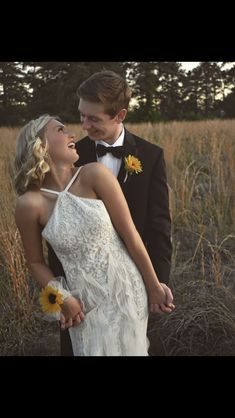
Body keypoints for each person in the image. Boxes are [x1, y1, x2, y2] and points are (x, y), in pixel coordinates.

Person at [14, 114, 175, 356]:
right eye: (60, 130)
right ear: (40, 144)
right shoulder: (29, 204)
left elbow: (131, 236)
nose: (72, 135)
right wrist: (62, 298)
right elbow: (35, 262)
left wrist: (153, 285)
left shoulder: (94, 174)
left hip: (125, 291)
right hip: (82, 303)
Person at [48, 70, 173, 355]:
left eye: (94, 118)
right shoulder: (71, 156)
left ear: (120, 115)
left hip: (132, 287)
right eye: (81, 115)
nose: (84, 125)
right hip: (81, 296)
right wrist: (60, 298)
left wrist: (157, 282)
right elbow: (56, 237)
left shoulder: (151, 156)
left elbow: (158, 226)